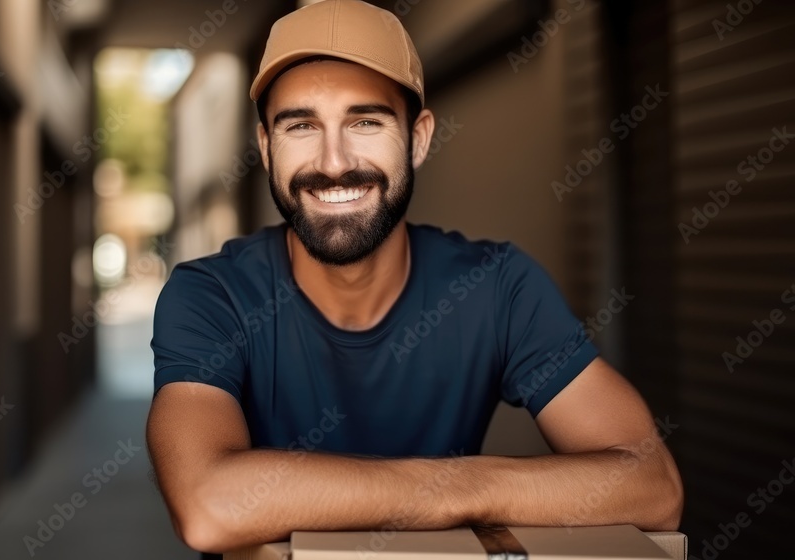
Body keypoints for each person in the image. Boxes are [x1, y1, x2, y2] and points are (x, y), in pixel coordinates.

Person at [146, 1, 683, 557]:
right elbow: (210, 506)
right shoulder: (212, 296)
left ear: (419, 139)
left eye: (366, 122)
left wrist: (458, 486)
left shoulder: (495, 286)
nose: (333, 162)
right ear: (265, 148)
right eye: (301, 126)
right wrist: (462, 490)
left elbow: (652, 486)